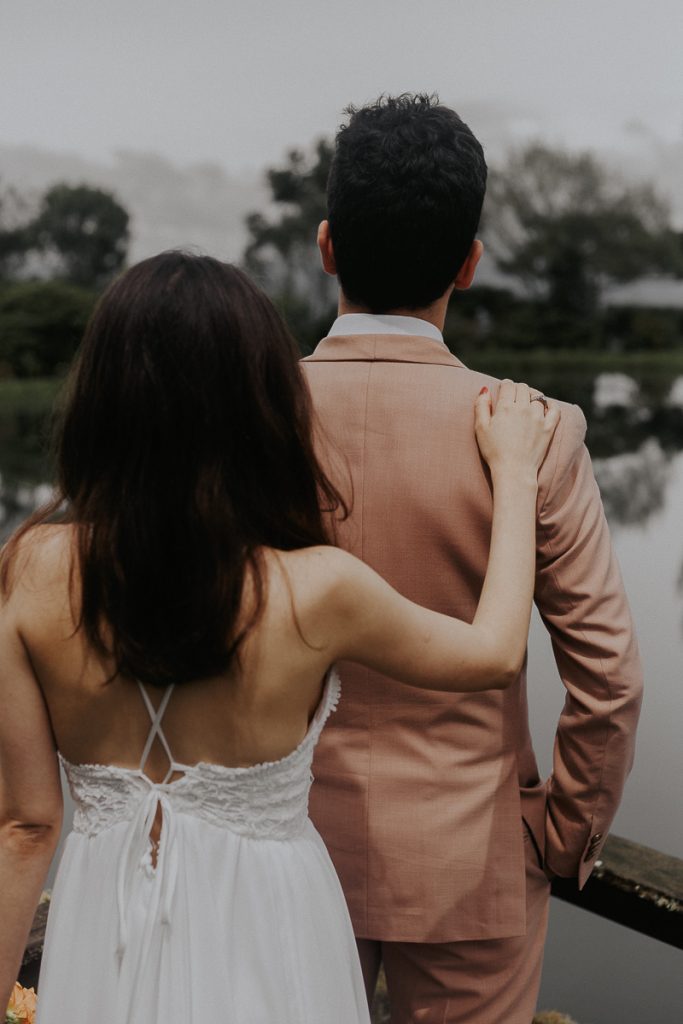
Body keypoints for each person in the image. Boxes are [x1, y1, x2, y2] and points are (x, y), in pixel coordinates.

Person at [0, 252, 558, 1024]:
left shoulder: (27, 570)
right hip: (272, 927)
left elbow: (27, 825)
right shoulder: (315, 589)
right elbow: (494, 653)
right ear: (260, 403)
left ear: (101, 401)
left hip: (104, 929)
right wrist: (517, 472)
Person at [302, 94, 644, 1024]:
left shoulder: (247, 415)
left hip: (282, 852)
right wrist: (557, 836)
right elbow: (608, 679)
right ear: (469, 261)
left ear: (327, 246)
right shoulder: (533, 430)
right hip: (470, 859)